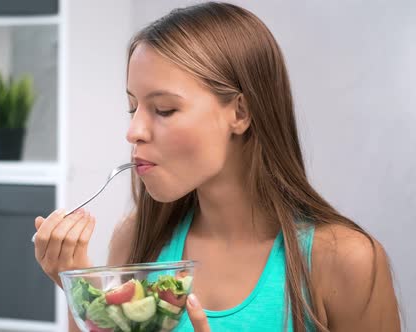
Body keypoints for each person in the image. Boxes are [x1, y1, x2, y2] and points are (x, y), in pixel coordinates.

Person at [34, 2, 401, 331]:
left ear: (240, 112)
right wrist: (79, 289)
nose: (133, 132)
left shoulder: (346, 261)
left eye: (163, 109)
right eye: (133, 108)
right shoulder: (136, 239)